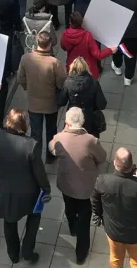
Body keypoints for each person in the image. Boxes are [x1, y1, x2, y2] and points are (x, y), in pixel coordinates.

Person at [0, 106, 50, 265]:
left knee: (9, 223)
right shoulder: (31, 145)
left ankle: (13, 254)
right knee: (34, 218)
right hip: (29, 192)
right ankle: (28, 251)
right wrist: (46, 189)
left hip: (7, 192)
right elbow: (39, 172)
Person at [49, 106, 107, 265]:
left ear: (66, 123)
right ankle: (81, 253)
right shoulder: (91, 141)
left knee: (69, 206)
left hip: (66, 185)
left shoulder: (59, 138)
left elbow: (52, 150)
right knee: (84, 217)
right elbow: (102, 157)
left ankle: (72, 227)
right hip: (85, 188)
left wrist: (61, 133)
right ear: (82, 121)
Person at [16, 30, 66, 161]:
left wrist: (28, 88)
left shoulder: (26, 58)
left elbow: (20, 78)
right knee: (51, 130)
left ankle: (36, 160)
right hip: (51, 103)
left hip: (33, 103)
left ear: (37, 42)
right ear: (49, 45)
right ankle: (50, 157)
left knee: (35, 134)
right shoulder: (54, 62)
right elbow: (62, 81)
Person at [58, 56, 107, 138]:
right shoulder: (93, 82)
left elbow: (61, 101)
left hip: (73, 117)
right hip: (90, 118)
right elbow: (102, 104)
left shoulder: (68, 83)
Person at [60, 11, 113, 78]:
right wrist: (110, 50)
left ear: (70, 22)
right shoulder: (87, 35)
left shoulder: (65, 34)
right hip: (87, 68)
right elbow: (97, 54)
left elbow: (63, 47)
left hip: (73, 65)